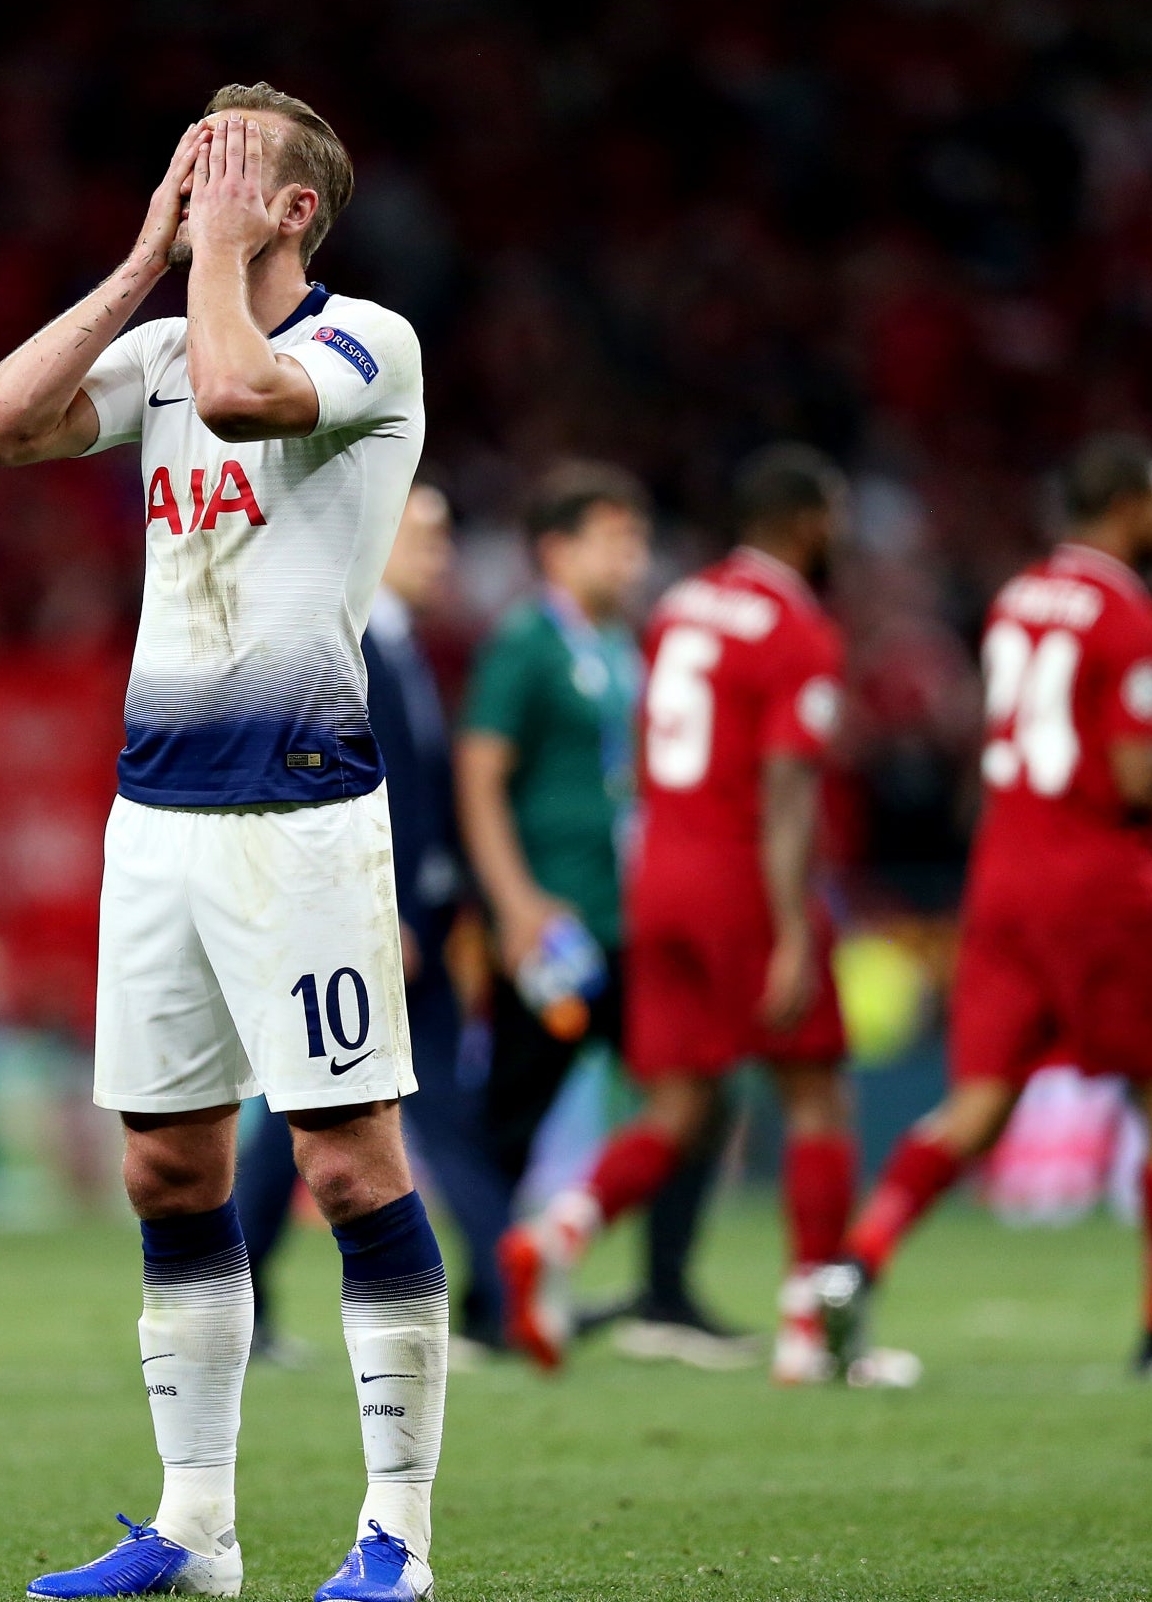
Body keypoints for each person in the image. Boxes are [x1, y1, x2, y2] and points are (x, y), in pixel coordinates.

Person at [0, 83, 447, 1602]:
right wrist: (138, 265)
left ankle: (399, 1532)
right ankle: (194, 1529)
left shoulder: (364, 343)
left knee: (348, 1165)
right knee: (169, 1165)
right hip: (157, 815)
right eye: (184, 162)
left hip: (301, 812)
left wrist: (218, 267)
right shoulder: (170, 340)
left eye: (221, 167)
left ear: (294, 207)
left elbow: (245, 399)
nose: (193, 186)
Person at [811, 434, 1152, 1387]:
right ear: (1128, 507)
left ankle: (856, 1262)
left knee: (980, 1101)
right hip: (1103, 887)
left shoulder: (1019, 597)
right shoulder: (1125, 611)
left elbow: (1055, 753)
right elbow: (1133, 778)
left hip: (1005, 879)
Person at [496, 445, 914, 1386]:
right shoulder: (798, 630)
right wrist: (797, 931)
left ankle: (561, 1232)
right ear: (808, 524)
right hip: (738, 878)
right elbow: (786, 791)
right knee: (817, 1093)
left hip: (658, 877)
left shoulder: (680, 606)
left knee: (683, 1101)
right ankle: (813, 1330)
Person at [455, 463, 749, 1369]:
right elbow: (480, 776)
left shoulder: (627, 644)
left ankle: (664, 1294)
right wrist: (511, 903)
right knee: (515, 1113)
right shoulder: (526, 645)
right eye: (614, 538)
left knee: (697, 1094)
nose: (635, 556)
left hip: (631, 921)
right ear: (557, 547)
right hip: (558, 926)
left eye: (637, 539)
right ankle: (482, 1309)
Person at [234, 483, 508, 1360]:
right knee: (317, 1119)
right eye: (424, 538)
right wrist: (379, 910)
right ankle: (505, 1299)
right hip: (367, 920)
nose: (442, 556)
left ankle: (504, 1297)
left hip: (409, 917)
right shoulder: (345, 643)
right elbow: (341, 789)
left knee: (343, 1114)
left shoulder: (400, 645)